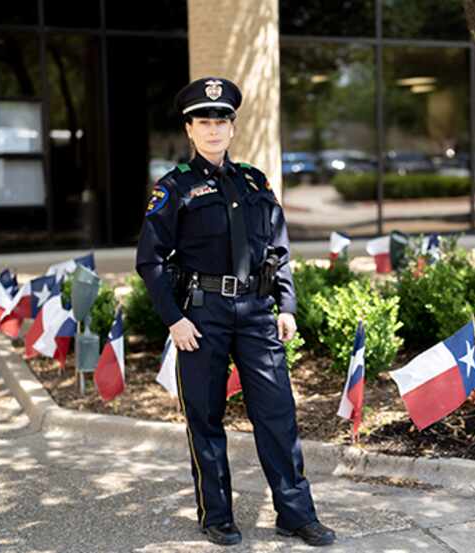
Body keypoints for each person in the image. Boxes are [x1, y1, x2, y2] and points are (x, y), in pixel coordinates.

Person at [136, 77, 335, 547]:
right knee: (205, 418)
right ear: (189, 129)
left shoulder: (253, 181)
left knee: (278, 414)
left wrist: (285, 304)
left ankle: (295, 513)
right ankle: (217, 515)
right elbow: (150, 260)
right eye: (204, 121)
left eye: (221, 120)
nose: (213, 129)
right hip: (201, 317)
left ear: (232, 126)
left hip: (256, 312)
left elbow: (278, 247)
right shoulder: (174, 188)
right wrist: (174, 319)